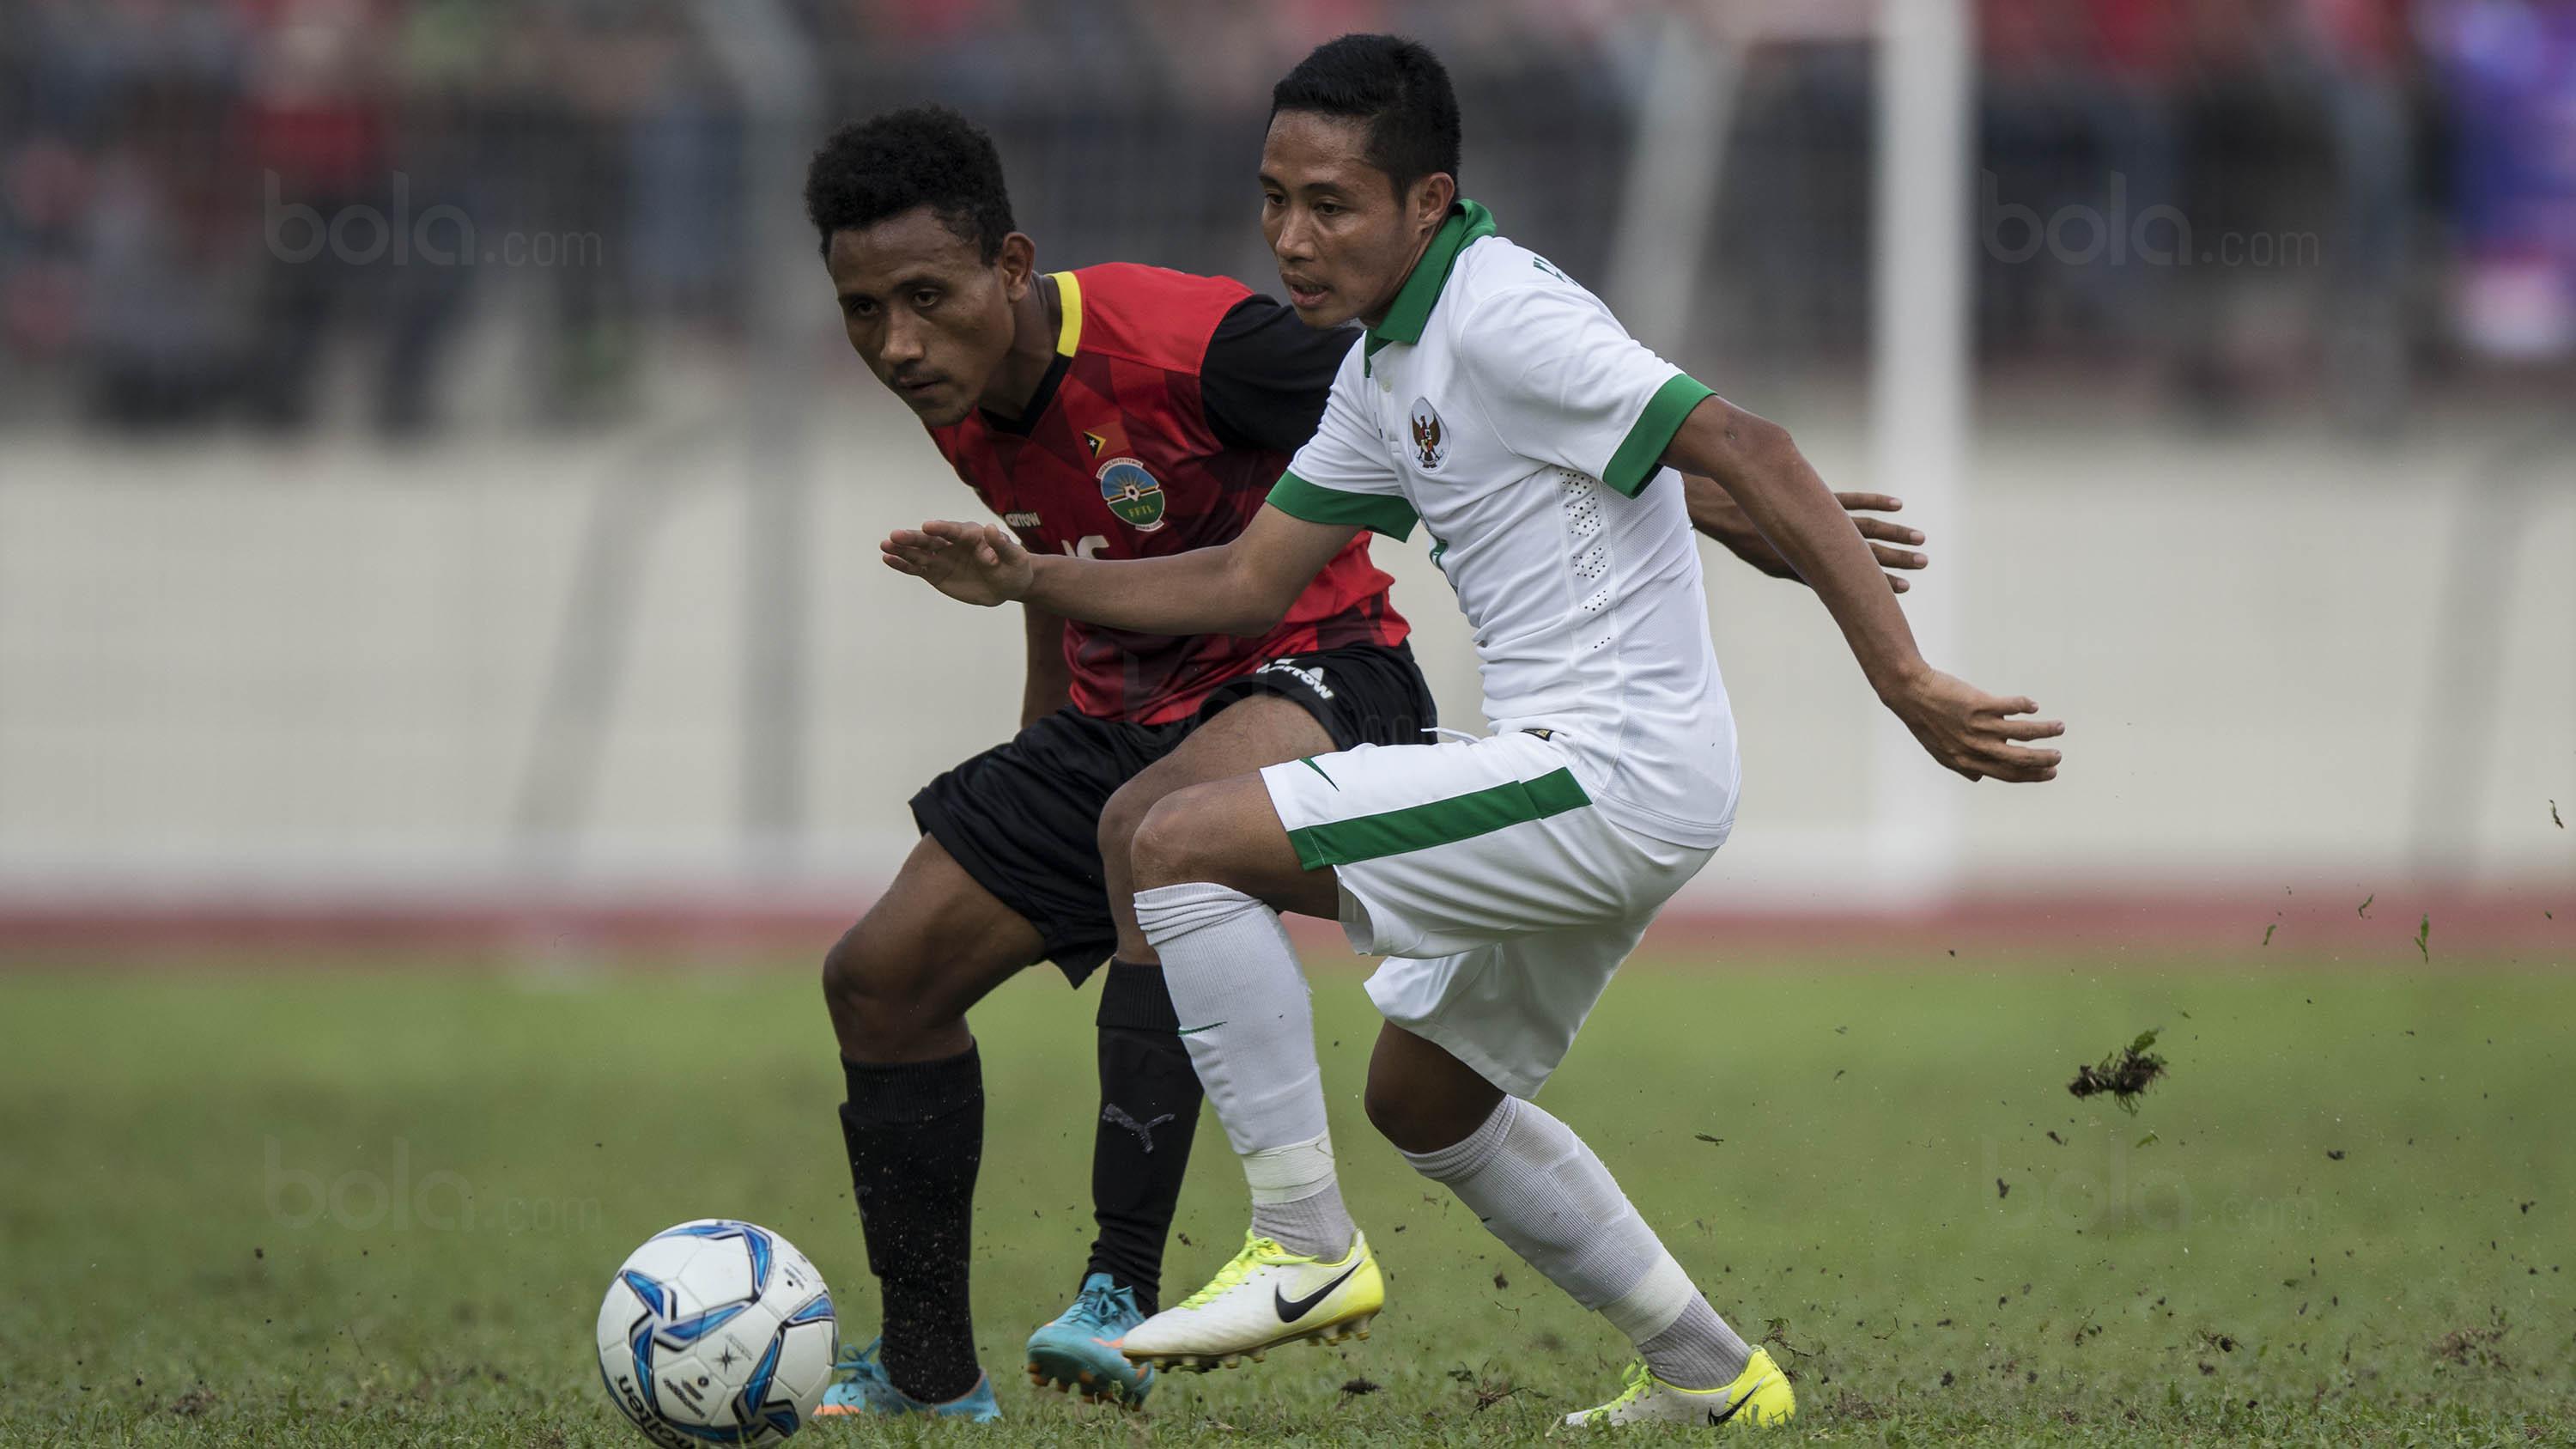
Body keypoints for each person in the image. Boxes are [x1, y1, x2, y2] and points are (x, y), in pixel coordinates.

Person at [878, 35, 2058, 1430]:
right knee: (1425, 1097)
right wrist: (1030, 579)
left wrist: (1905, 679)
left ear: (1426, 202)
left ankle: (1304, 1245)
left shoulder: (1502, 314)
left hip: (1607, 777)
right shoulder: (1385, 368)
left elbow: (1752, 446)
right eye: (1274, 200)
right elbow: (1245, 580)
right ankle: (1712, 1378)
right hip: (1601, 782)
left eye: (1332, 205)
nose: (1291, 239)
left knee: (1174, 842)